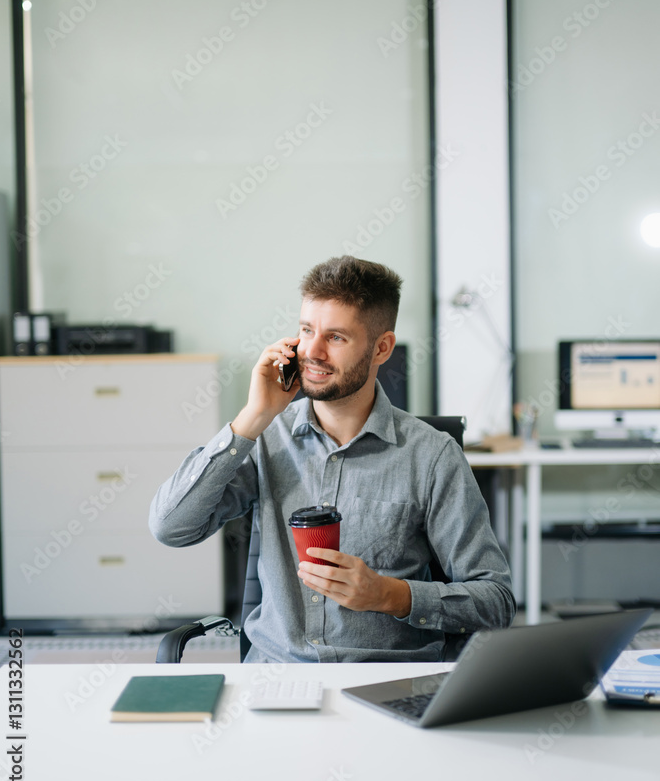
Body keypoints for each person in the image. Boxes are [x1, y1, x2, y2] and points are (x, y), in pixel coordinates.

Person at [149, 255, 515, 662]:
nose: (313, 352)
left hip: (382, 680)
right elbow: (171, 527)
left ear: (381, 348)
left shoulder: (431, 456)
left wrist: (392, 596)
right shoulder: (267, 436)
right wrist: (253, 416)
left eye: (336, 337)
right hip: (277, 673)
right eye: (307, 331)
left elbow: (496, 602)